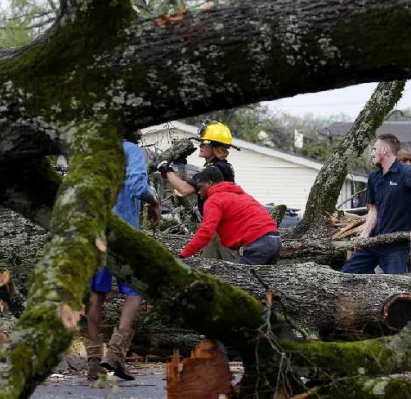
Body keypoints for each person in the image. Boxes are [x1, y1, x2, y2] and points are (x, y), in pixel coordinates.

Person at [87, 129, 161, 381]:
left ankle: (94, 362)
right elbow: (137, 185)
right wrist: (153, 202)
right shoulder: (131, 151)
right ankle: (116, 353)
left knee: (96, 295)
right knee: (135, 290)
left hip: (95, 230)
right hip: (123, 232)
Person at [341, 134, 411, 274]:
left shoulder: (407, 174)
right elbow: (373, 210)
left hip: (397, 247)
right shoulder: (374, 176)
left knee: (397, 289)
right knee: (345, 277)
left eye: (374, 149)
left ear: (384, 150)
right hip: (373, 242)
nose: (371, 153)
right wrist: (365, 234)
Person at [159, 120, 236, 260]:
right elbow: (188, 184)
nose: (200, 145)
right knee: (212, 268)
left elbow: (184, 190)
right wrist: (180, 166)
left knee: (226, 270)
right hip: (218, 227)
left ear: (215, 147)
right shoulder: (220, 167)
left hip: (221, 230)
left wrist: (166, 168)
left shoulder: (214, 169)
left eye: (205, 143)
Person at [179, 167, 281, 265]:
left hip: (258, 244)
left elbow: (206, 231)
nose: (199, 192)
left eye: (200, 187)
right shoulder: (242, 195)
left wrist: (184, 255)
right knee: (261, 280)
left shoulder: (214, 200)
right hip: (275, 240)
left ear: (210, 183)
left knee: (241, 280)